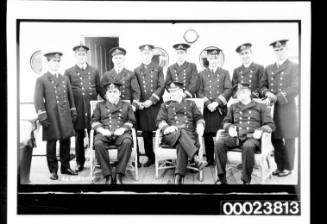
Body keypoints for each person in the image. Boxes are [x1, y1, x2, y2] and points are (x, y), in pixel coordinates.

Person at [214, 83, 275, 184]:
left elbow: (270, 125)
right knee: (219, 143)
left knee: (248, 146)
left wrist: (261, 130)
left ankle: (246, 179)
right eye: (238, 93)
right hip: (236, 136)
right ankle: (222, 177)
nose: (240, 95)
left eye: (243, 92)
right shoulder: (233, 106)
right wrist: (229, 128)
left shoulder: (261, 107)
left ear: (249, 93)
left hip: (252, 137)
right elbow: (225, 122)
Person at [34, 51, 78, 180]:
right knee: (52, 143)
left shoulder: (64, 78)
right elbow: (38, 100)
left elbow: (70, 96)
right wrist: (42, 116)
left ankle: (65, 167)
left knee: (66, 141)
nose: (56, 63)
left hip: (64, 115)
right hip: (51, 116)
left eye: (58, 61)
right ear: (47, 62)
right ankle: (53, 170)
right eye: (54, 61)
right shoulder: (42, 79)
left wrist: (73, 110)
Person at [260, 39, 299, 177]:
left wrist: (278, 97)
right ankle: (279, 166)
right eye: (276, 50)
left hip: (287, 108)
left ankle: (288, 167)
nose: (279, 52)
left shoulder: (294, 66)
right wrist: (266, 92)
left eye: (282, 49)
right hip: (272, 110)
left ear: (286, 50)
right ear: (274, 52)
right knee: (275, 138)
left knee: (288, 139)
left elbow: (296, 86)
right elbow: (262, 85)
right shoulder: (269, 67)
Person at [156, 81, 207, 184]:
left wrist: (200, 125)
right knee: (180, 132)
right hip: (171, 135)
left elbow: (199, 117)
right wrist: (166, 127)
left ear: (181, 91)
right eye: (170, 91)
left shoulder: (191, 104)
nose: (172, 94)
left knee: (181, 143)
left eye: (175, 91)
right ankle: (195, 158)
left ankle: (178, 177)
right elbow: (159, 120)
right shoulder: (165, 105)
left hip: (189, 134)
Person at [64, 44, 101, 172]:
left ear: (87, 56)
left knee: (95, 134)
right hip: (78, 108)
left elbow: (99, 88)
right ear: (75, 56)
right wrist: (69, 109)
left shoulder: (94, 70)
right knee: (79, 136)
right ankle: (80, 162)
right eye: (79, 54)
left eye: (84, 54)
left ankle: (97, 160)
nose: (81, 57)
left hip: (91, 108)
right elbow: (67, 92)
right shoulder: (69, 72)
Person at [91, 81, 136, 184]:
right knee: (98, 143)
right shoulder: (99, 105)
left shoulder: (126, 105)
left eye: (115, 92)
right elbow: (94, 121)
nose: (112, 94)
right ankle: (107, 175)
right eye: (110, 92)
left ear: (120, 93)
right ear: (106, 95)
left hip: (121, 132)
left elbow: (132, 120)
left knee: (127, 142)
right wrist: (101, 130)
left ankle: (119, 174)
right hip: (105, 132)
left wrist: (123, 129)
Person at [197, 47, 232, 166]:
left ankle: (219, 159)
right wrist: (208, 104)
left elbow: (228, 90)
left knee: (220, 133)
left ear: (218, 58)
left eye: (215, 58)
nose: (213, 60)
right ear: (207, 58)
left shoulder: (225, 73)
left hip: (220, 109)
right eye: (211, 58)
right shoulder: (201, 74)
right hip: (207, 109)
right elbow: (199, 91)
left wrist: (216, 102)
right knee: (207, 134)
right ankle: (210, 159)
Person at [134, 44, 165, 167]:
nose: (146, 55)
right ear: (141, 55)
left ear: (151, 55)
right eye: (144, 53)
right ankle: (150, 157)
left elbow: (162, 86)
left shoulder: (158, 68)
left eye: (148, 53)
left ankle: (162, 156)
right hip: (143, 106)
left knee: (160, 130)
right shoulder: (136, 70)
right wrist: (140, 103)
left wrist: (151, 100)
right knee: (146, 133)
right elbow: (136, 88)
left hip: (155, 104)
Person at [100, 47, 141, 111]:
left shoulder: (130, 74)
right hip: (111, 106)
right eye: (116, 58)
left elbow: (136, 92)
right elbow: (101, 90)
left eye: (120, 58)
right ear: (112, 60)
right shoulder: (107, 75)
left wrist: (134, 105)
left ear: (124, 59)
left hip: (127, 106)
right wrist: (107, 101)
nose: (118, 60)